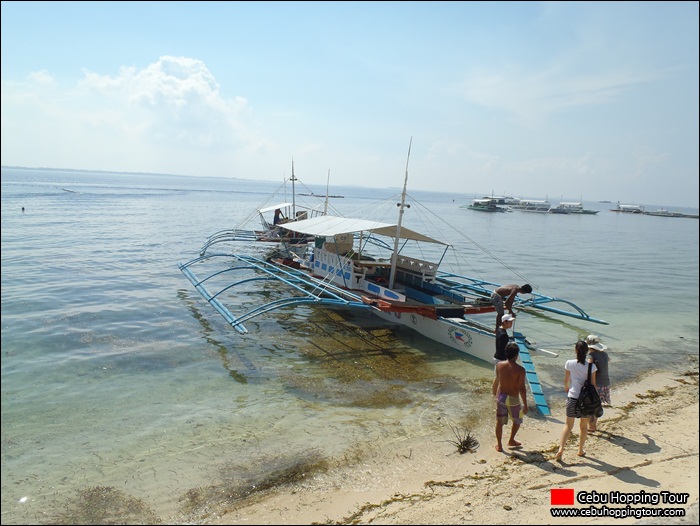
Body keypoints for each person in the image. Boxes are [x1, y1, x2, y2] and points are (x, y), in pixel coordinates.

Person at [555, 340, 597, 461]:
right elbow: (593, 385)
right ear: (587, 351)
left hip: (572, 396)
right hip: (585, 400)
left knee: (568, 425)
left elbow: (566, 380)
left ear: (575, 350)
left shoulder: (569, 363)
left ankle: (561, 449)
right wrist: (595, 401)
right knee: (583, 426)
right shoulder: (592, 366)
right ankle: (580, 450)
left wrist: (567, 389)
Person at [492, 342, 528, 452]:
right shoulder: (520, 370)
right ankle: (511, 440)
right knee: (518, 420)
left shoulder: (499, 365)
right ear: (516, 355)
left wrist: (496, 395)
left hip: (501, 397)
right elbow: (522, 388)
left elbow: (498, 381)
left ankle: (499, 445)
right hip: (514, 399)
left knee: (499, 422)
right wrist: (525, 405)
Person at [586, 334, 610, 432]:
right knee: (597, 404)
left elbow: (589, 367)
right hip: (606, 382)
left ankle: (590, 426)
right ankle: (593, 425)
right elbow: (608, 361)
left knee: (590, 405)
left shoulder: (591, 355)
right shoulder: (604, 354)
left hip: (596, 383)